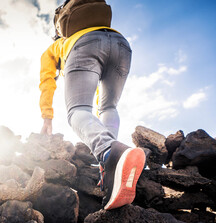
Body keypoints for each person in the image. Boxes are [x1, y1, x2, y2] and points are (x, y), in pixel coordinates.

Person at [39, 0, 146, 210]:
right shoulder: (101, 27)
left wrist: (47, 117)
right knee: (108, 108)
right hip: (122, 45)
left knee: (77, 111)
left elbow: (47, 82)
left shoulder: (57, 46)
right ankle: (112, 166)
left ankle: (110, 153)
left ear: (61, 29)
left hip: (85, 45)